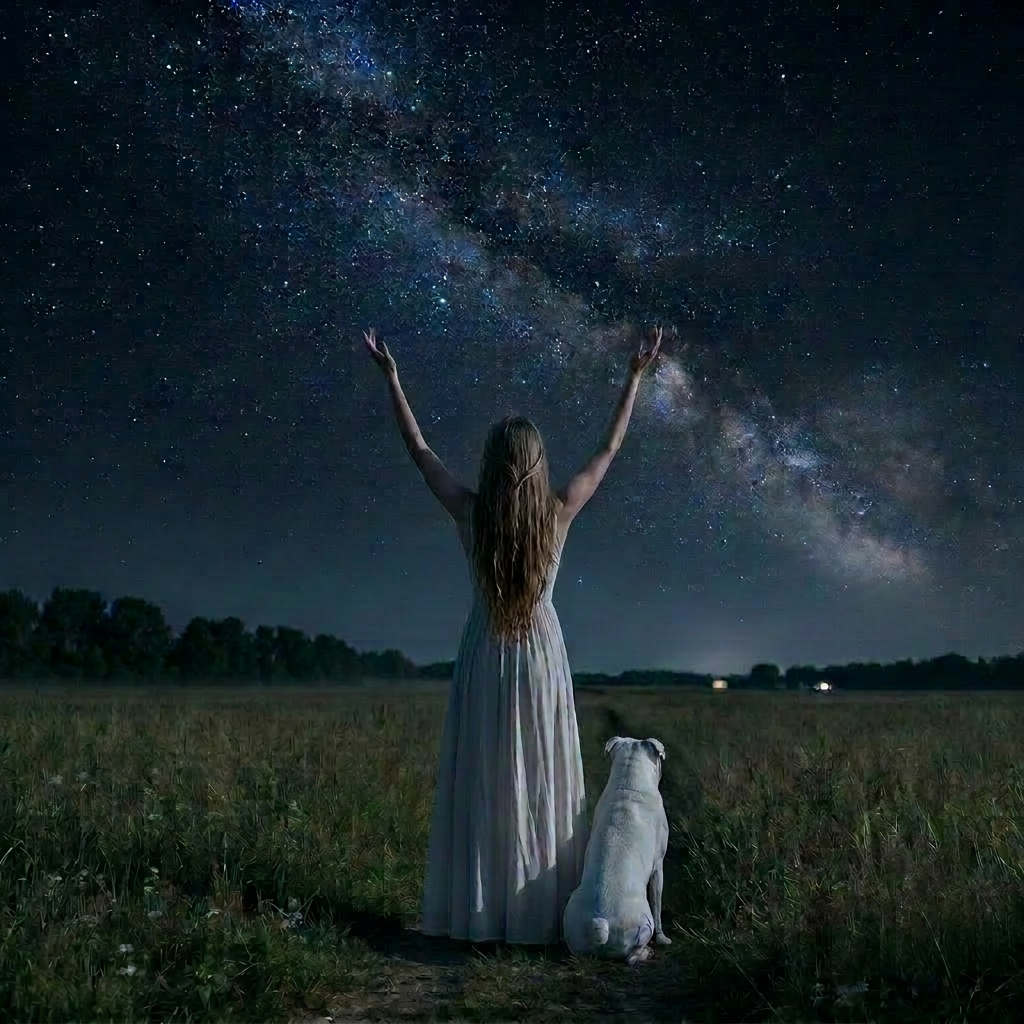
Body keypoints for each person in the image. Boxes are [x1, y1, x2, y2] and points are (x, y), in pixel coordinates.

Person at [363, 326, 663, 944]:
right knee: (540, 778)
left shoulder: (469, 512)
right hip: (539, 654)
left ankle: (480, 910)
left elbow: (418, 450)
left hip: (485, 652)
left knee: (487, 778)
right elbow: (607, 452)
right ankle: (539, 911)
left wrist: (391, 377)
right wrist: (634, 378)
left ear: (492, 466)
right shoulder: (558, 512)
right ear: (537, 465)